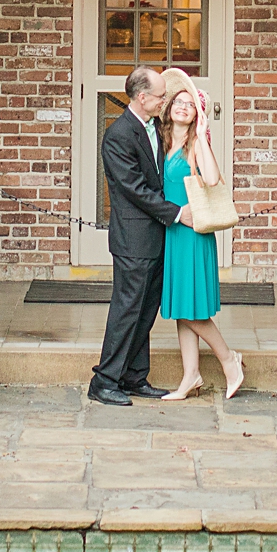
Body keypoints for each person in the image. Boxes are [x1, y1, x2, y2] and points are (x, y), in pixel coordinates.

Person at [89, 65, 195, 406]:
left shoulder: (153, 127)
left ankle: (134, 376)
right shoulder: (119, 135)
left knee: (146, 310)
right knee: (127, 309)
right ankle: (104, 380)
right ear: (143, 97)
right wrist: (178, 213)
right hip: (133, 239)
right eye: (161, 95)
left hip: (155, 236)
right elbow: (134, 189)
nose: (164, 100)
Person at [157, 68, 244, 401]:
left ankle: (228, 359)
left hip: (193, 233)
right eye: (178, 102)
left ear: (197, 114)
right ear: (170, 108)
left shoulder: (195, 144)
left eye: (190, 104)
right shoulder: (162, 139)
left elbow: (211, 179)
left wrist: (204, 134)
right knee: (182, 305)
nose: (182, 107)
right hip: (173, 229)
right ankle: (191, 375)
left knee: (192, 308)